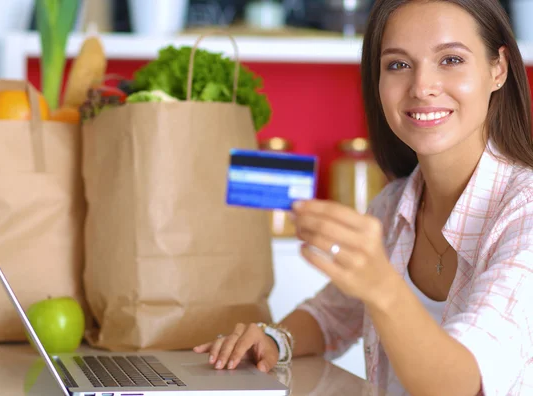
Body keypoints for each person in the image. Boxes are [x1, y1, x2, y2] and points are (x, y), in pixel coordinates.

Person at [193, 0, 533, 394]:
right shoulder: (391, 206)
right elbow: (330, 316)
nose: (422, 86)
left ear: (498, 69)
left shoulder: (525, 212)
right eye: (398, 65)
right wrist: (274, 340)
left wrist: (382, 287)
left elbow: (464, 384)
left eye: (451, 59)